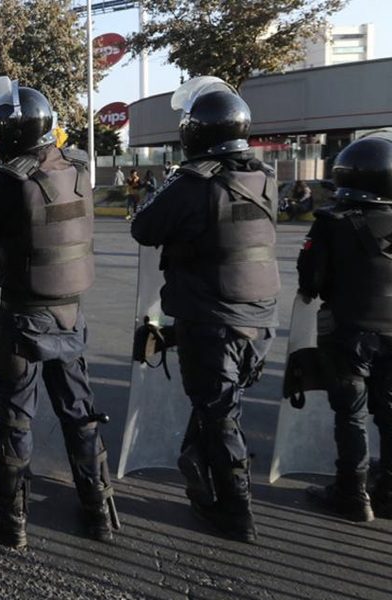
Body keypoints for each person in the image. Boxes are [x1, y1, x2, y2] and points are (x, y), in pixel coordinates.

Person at [131, 76, 279, 542]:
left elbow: (144, 227)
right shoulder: (264, 178)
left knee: (219, 414)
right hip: (259, 320)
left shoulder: (193, 183)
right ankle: (206, 481)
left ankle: (236, 511)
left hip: (212, 319)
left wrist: (175, 178)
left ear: (196, 131)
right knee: (224, 407)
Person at [0, 76, 116, 547]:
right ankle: (98, 508)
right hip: (71, 313)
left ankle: (11, 517)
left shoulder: (15, 181)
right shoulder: (77, 168)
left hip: (24, 314)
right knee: (79, 410)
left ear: (15, 133)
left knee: (17, 413)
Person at [296, 134, 392, 522]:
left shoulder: (332, 222)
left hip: (350, 332)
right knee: (389, 410)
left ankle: (352, 493)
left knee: (350, 413)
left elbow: (311, 282)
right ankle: (388, 491)